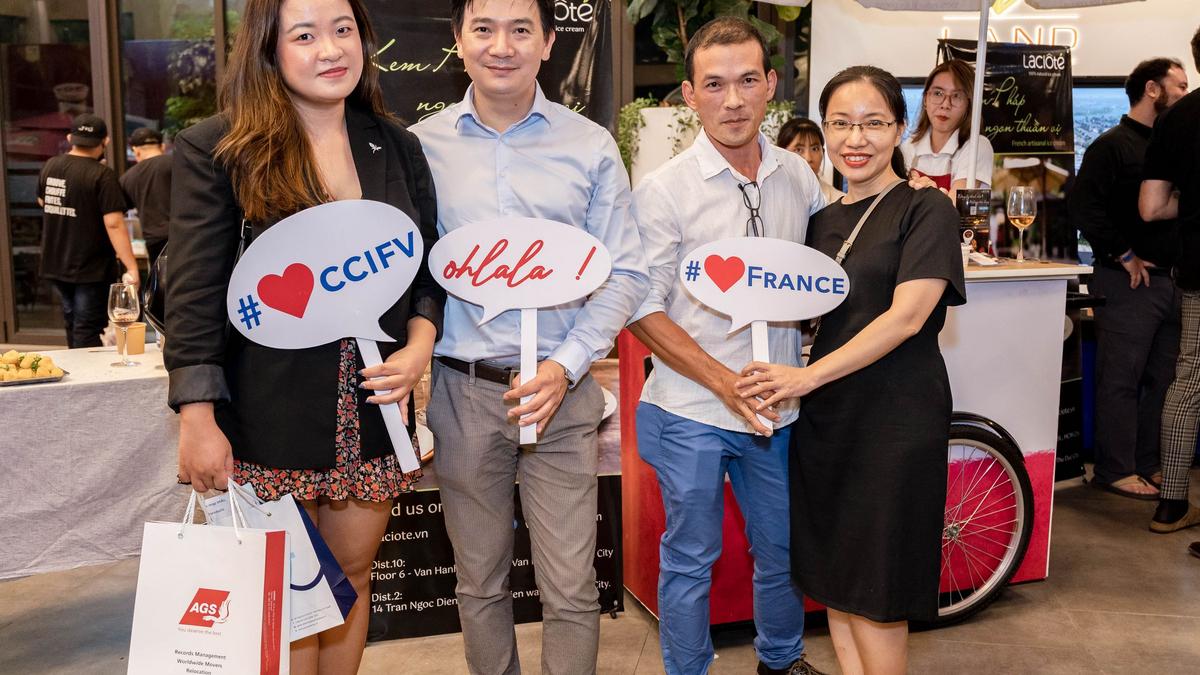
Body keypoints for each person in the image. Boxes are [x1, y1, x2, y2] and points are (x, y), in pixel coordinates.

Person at [165, 0, 445, 671]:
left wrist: (420, 343)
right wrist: (197, 414)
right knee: (281, 594)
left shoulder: (395, 144)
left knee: (349, 578)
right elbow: (194, 291)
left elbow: (425, 265)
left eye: (343, 30)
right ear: (270, 48)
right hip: (266, 409)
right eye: (305, 35)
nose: (330, 49)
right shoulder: (219, 148)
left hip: (372, 405)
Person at [410, 1, 648, 672]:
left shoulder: (590, 145)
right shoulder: (420, 146)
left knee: (571, 587)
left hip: (562, 392)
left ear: (547, 42)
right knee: (478, 582)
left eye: (521, 30)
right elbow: (409, 270)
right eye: (484, 29)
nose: (502, 46)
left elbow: (627, 271)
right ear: (459, 40)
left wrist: (565, 365)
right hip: (463, 391)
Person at [738, 66, 966, 675]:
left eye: (873, 123)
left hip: (895, 420)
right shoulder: (819, 221)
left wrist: (804, 378)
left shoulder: (926, 209)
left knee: (878, 586)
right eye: (840, 123)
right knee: (835, 577)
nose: (855, 139)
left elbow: (907, 317)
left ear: (900, 129)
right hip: (827, 421)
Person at [628, 17, 825, 675]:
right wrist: (722, 380)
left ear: (771, 84)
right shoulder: (664, 190)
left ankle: (782, 660)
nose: (733, 100)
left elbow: (824, 274)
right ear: (689, 94)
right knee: (691, 557)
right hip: (691, 408)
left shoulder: (799, 177)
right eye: (714, 84)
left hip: (777, 410)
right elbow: (641, 308)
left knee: (782, 548)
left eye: (747, 81)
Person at [1072, 57, 1188, 501]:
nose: (1186, 93)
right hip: (1128, 283)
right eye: (1180, 86)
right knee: (1120, 378)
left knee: (1164, 383)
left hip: (1173, 282)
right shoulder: (1111, 146)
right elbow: (1083, 209)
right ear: (1152, 89)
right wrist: (1124, 255)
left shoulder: (1170, 145)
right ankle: (1115, 470)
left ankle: (1148, 463)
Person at [1140, 26, 1200, 535]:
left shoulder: (1176, 118)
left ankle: (1172, 503)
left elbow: (1151, 207)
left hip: (1198, 266)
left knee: (1188, 381)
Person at [37, 113, 139, 348]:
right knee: (88, 327)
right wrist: (131, 266)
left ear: (70, 138)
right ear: (105, 141)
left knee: (71, 319)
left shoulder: (51, 166)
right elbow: (114, 223)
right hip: (90, 266)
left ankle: (74, 367)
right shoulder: (102, 175)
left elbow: (43, 201)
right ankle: (84, 371)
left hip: (56, 262)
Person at [902, 59, 994, 199]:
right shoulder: (908, 146)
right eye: (938, 93)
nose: (945, 105)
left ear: (969, 104)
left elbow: (955, 206)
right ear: (925, 99)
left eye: (956, 96)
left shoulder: (977, 147)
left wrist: (928, 194)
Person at [120, 127, 172, 266]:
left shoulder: (128, 178)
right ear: (162, 146)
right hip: (185, 235)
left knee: (162, 278)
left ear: (136, 151)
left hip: (155, 242)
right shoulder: (178, 163)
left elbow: (119, 214)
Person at [778, 116, 845, 205]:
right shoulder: (767, 196)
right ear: (781, 153)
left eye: (815, 149)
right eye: (798, 150)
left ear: (823, 152)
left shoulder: (838, 201)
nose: (808, 158)